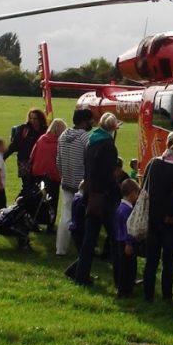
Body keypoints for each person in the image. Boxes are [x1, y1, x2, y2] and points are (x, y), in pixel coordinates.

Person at [67, 113, 121, 287]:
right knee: (115, 238)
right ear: (113, 128)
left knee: (90, 239)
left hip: (92, 195)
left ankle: (80, 274)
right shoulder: (108, 146)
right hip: (104, 197)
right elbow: (110, 174)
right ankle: (122, 279)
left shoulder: (91, 141)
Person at [143, 130, 173, 302]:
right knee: (168, 261)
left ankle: (148, 294)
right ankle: (167, 295)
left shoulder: (154, 164)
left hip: (153, 217)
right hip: (171, 220)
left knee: (151, 260)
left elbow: (145, 188)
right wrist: (170, 214)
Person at [55, 109, 94, 256]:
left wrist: (64, 175)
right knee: (83, 217)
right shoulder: (85, 138)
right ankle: (82, 249)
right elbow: (90, 160)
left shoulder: (63, 136)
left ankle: (60, 249)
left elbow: (58, 161)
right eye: (90, 120)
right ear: (84, 121)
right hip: (82, 184)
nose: (92, 123)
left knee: (65, 216)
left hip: (66, 182)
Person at [30, 118, 67, 233]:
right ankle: (50, 225)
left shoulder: (41, 139)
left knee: (38, 200)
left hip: (38, 173)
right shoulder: (59, 143)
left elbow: (32, 155)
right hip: (52, 175)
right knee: (52, 201)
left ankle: (35, 222)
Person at [5, 108, 48, 197]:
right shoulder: (24, 129)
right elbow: (15, 144)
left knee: (38, 187)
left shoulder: (45, 130)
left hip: (39, 163)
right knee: (27, 187)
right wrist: (4, 156)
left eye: (35, 118)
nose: (32, 121)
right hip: (24, 162)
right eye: (31, 118)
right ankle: (18, 205)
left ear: (40, 119)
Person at [115, 179, 141, 298]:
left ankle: (124, 289)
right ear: (132, 194)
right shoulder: (127, 210)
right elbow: (129, 228)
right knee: (128, 267)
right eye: (137, 194)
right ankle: (126, 290)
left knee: (124, 266)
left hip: (120, 240)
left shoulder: (120, 207)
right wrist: (129, 243)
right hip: (126, 242)